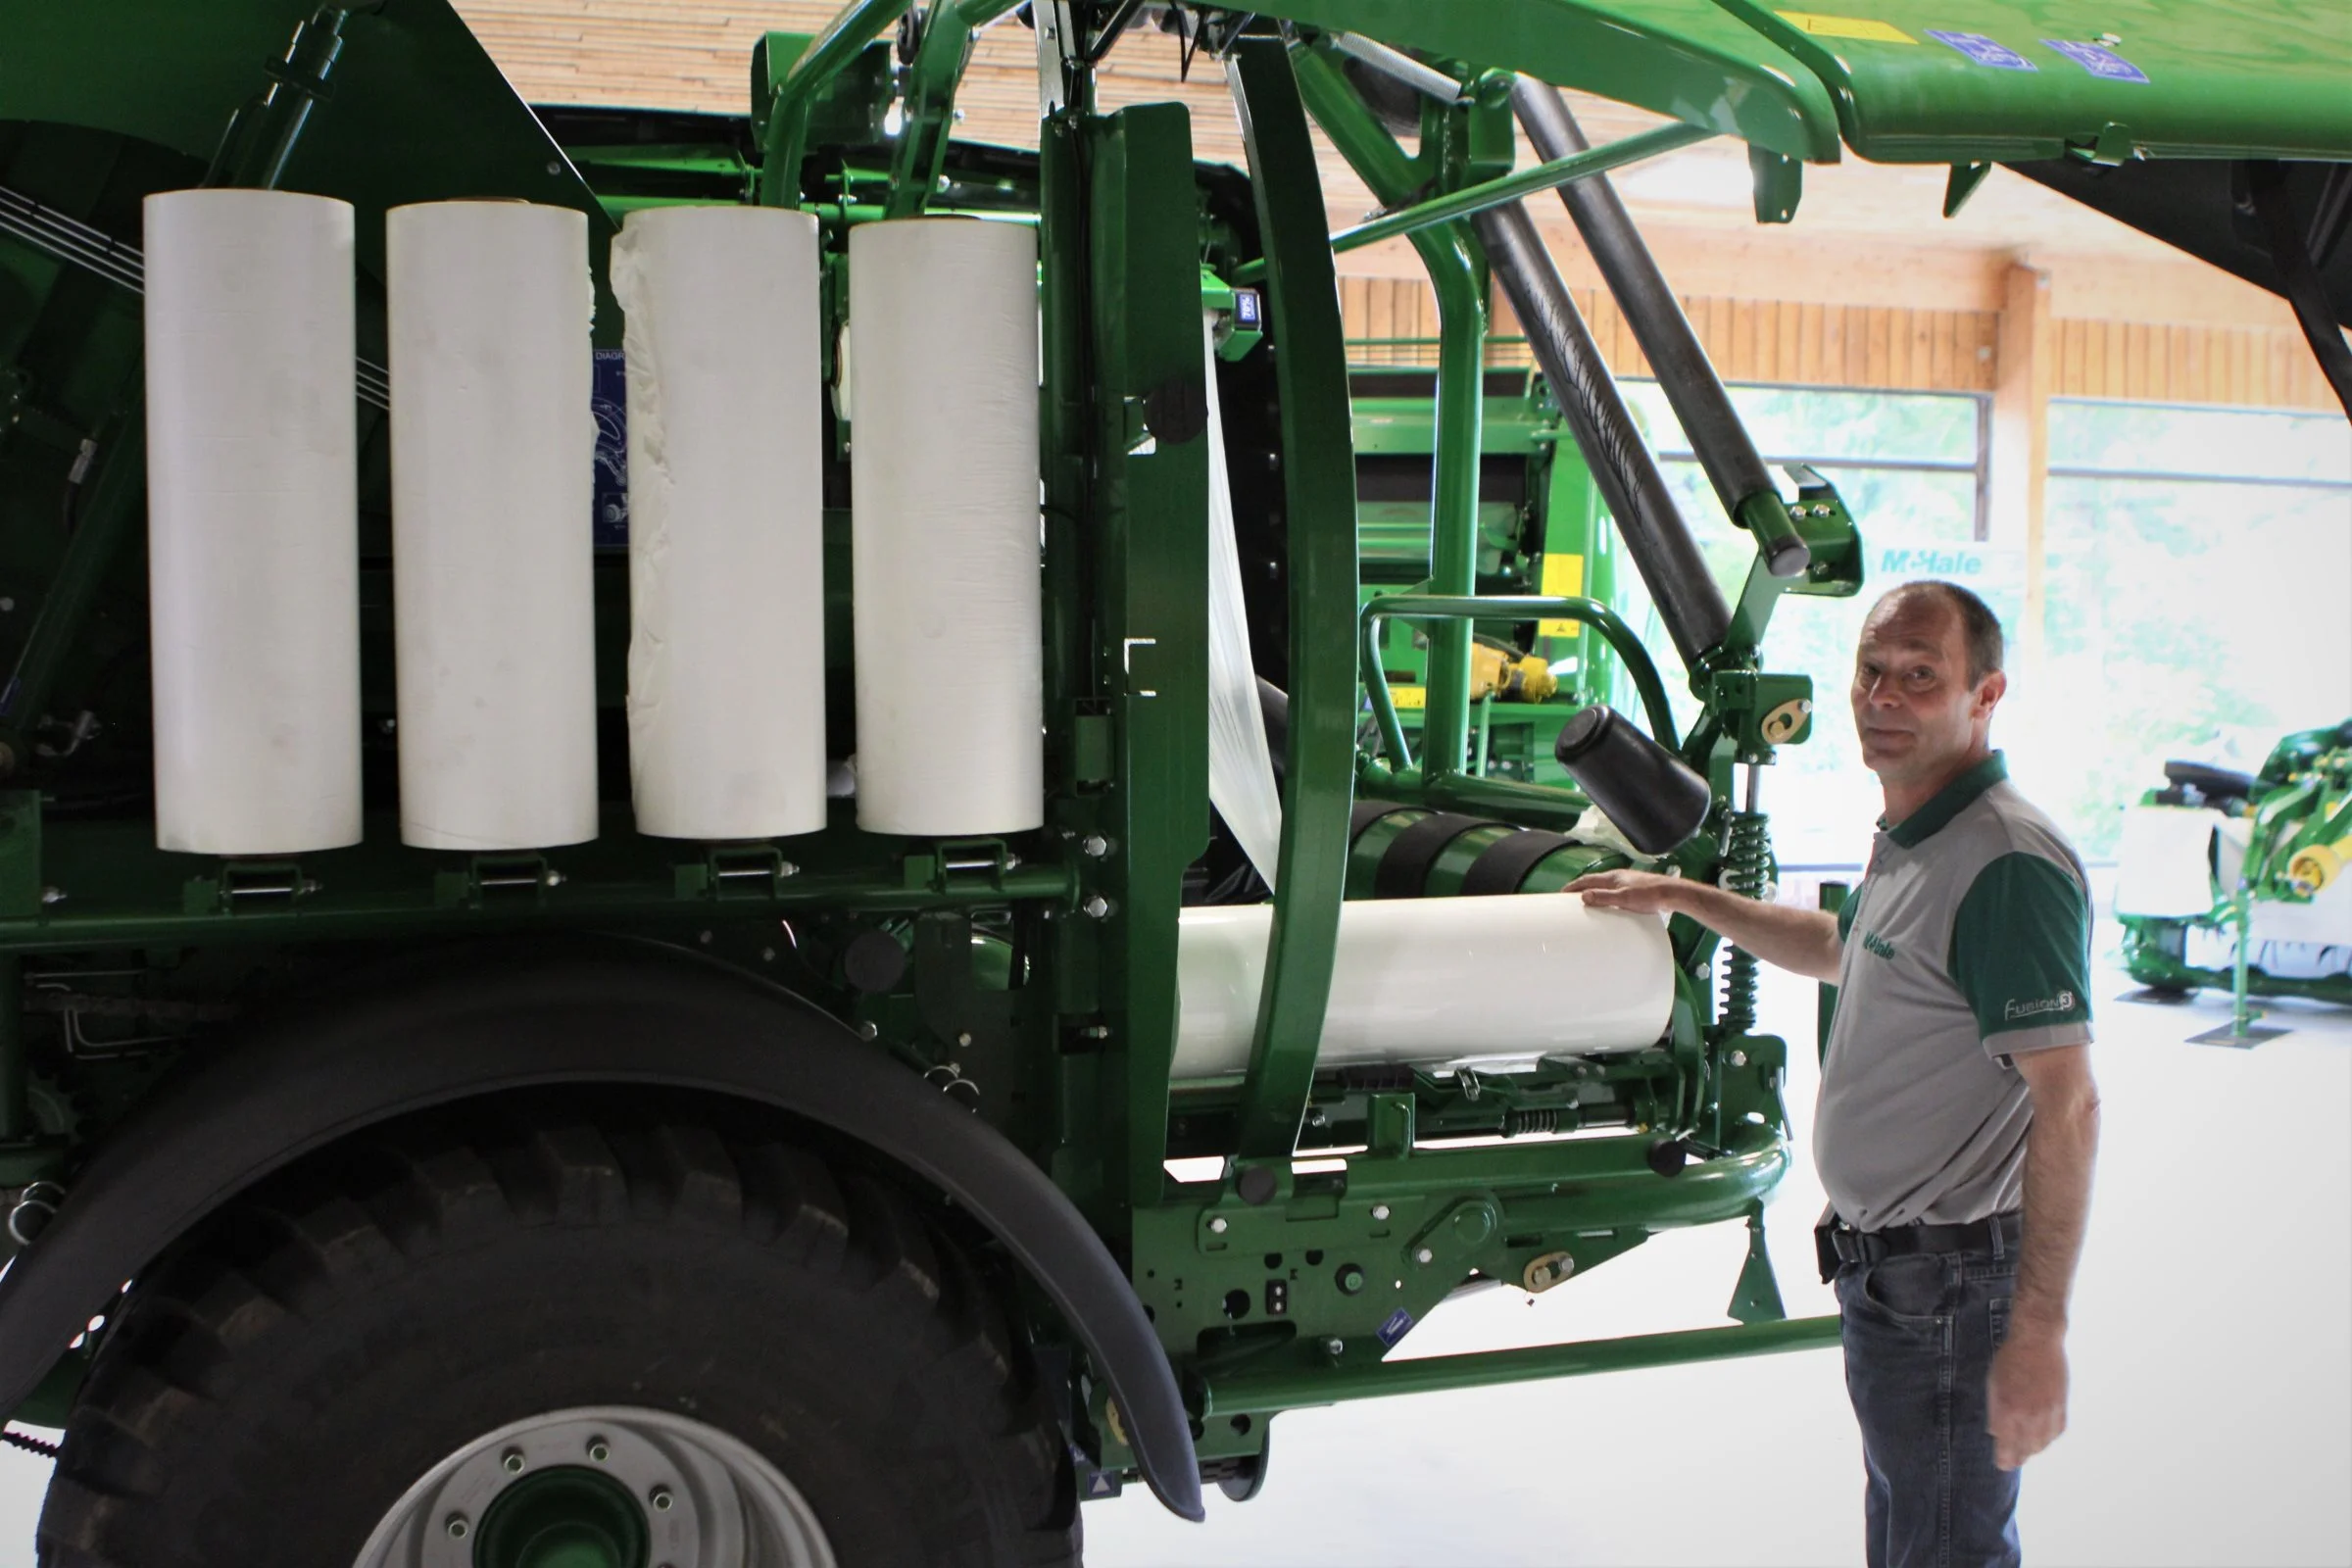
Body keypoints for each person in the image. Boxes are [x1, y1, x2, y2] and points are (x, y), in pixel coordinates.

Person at [1570, 580, 2100, 1568]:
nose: (1883, 696)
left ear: (1985, 696)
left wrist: (2038, 1331)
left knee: (1945, 1545)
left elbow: (2068, 1104)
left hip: (1951, 1284)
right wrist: (1683, 893)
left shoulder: (2006, 864)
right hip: (1895, 1276)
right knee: (1912, 1529)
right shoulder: (1914, 832)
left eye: (1919, 677)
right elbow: (1839, 946)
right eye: (1871, 670)